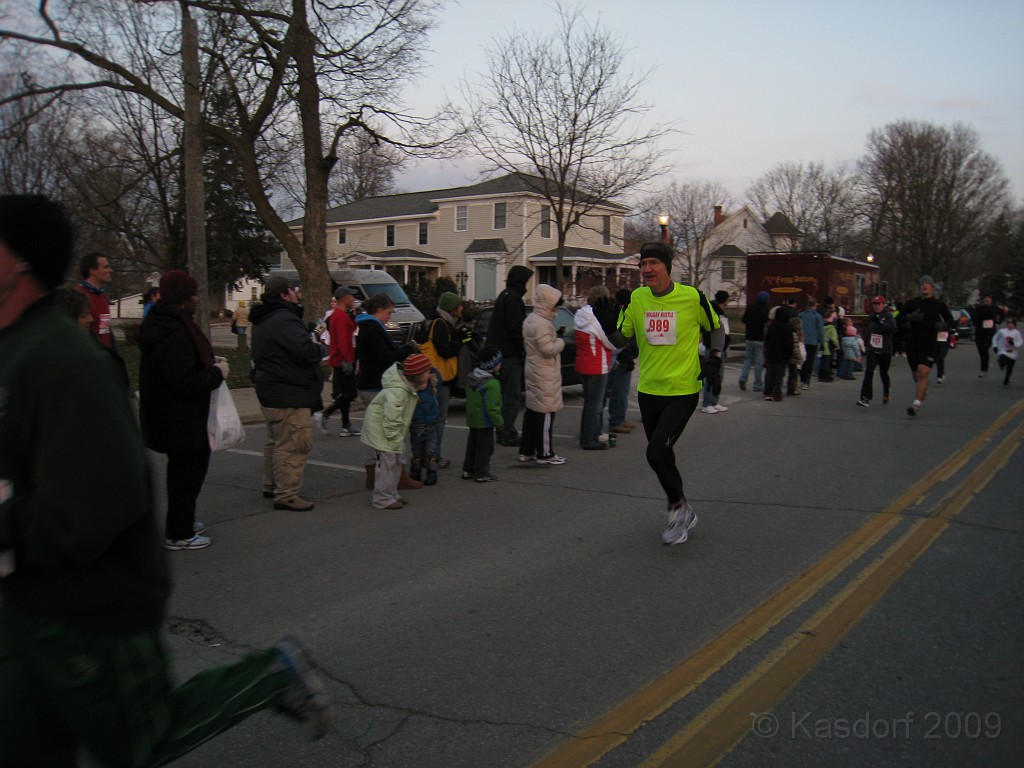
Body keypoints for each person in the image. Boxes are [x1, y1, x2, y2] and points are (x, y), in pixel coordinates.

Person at [0, 194, 331, 767]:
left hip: (89, 610)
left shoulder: (60, 361)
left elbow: (96, 503)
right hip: (26, 604)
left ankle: (269, 675)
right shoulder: (24, 352)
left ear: (20, 261)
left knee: (139, 741)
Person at [615, 242, 723, 546]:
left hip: (682, 389)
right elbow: (623, 336)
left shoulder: (691, 297)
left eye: (652, 263)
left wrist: (715, 357)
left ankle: (677, 509)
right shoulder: (637, 298)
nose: (646, 269)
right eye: (642, 264)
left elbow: (715, 328)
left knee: (655, 452)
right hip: (649, 390)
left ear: (666, 266)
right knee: (663, 454)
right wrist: (606, 322)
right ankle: (682, 506)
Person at [139, 269, 229, 550]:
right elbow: (183, 380)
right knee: (186, 477)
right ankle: (179, 532)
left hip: (172, 415)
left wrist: (210, 364)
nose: (198, 300)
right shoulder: (174, 332)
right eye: (193, 296)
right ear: (181, 299)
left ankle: (183, 521)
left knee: (183, 475)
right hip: (181, 418)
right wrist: (217, 373)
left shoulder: (164, 323)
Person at [251, 275, 327, 510]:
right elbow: (303, 350)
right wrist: (321, 347)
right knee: (294, 443)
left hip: (272, 388)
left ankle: (272, 484)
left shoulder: (264, 318)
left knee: (276, 440)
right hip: (288, 392)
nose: (298, 294)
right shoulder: (284, 319)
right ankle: (287, 494)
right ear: (285, 294)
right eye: (295, 290)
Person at [356, 292, 421, 490]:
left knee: (371, 432)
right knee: (393, 432)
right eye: (389, 312)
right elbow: (386, 358)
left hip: (368, 384)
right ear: (379, 309)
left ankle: (371, 474)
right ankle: (397, 475)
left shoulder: (365, 328)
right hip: (378, 385)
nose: (390, 317)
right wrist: (408, 349)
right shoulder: (373, 330)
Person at [360, 353, 433, 509]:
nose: (430, 374)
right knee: (387, 464)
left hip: (389, 430)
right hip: (383, 430)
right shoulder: (397, 391)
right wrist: (392, 438)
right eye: (427, 372)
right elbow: (391, 417)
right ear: (418, 375)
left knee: (395, 462)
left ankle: (392, 494)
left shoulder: (405, 387)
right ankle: (381, 498)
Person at [518, 283, 568, 466]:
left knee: (532, 412)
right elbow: (548, 349)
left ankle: (526, 450)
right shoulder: (542, 324)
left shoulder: (531, 319)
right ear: (548, 304)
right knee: (546, 413)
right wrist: (561, 342)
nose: (556, 308)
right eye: (555, 304)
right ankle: (545, 453)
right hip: (544, 373)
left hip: (533, 369)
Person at [416, 291, 467, 466]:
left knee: (428, 419)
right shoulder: (440, 324)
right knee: (438, 419)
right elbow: (445, 351)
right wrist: (460, 342)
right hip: (439, 378)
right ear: (451, 309)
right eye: (459, 305)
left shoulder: (435, 322)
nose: (462, 308)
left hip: (430, 376)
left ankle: (424, 455)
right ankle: (433, 456)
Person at [488, 265, 533, 446]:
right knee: (511, 396)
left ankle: (504, 430)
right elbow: (516, 328)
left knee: (503, 396)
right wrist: (524, 348)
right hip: (509, 355)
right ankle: (507, 432)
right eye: (526, 282)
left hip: (500, 353)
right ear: (520, 282)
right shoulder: (513, 299)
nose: (527, 287)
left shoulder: (504, 296)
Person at [900, 275, 954, 418]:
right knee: (916, 376)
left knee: (923, 372)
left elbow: (950, 319)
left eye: (927, 284)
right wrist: (909, 318)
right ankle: (923, 388)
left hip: (930, 344)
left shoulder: (938, 305)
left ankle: (915, 405)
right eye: (922, 283)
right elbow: (898, 318)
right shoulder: (912, 303)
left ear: (932, 287)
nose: (924, 286)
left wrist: (943, 326)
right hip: (913, 344)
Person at [574, 285, 617, 447]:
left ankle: (594, 433)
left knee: (589, 403)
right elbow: (610, 341)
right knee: (595, 405)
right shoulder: (597, 318)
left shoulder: (581, 314)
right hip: (597, 365)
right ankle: (589, 440)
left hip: (583, 363)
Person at [317, 286, 361, 437]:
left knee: (345, 393)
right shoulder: (340, 317)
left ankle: (346, 424)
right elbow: (343, 340)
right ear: (344, 298)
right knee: (351, 392)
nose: (353, 299)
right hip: (343, 359)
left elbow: (351, 329)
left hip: (339, 358)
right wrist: (347, 360)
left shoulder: (340, 315)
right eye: (351, 296)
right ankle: (326, 413)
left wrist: (354, 316)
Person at [462, 345, 504, 483]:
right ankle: (481, 472)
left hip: (473, 418)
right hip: (485, 420)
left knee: (472, 445)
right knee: (485, 448)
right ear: (493, 364)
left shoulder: (472, 378)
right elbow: (492, 407)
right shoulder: (492, 384)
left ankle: (468, 469)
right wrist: (499, 423)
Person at [607, 288, 638, 433]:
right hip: (620, 358)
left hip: (625, 357)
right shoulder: (619, 315)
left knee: (622, 391)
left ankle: (620, 417)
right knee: (619, 391)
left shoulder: (623, 314)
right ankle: (616, 420)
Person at [857, 295, 898, 407]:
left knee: (883, 373)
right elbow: (869, 331)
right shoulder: (871, 317)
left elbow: (893, 329)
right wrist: (865, 344)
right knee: (869, 372)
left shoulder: (888, 316)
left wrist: (881, 322)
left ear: (883, 305)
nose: (876, 306)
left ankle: (886, 391)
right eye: (874, 304)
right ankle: (865, 397)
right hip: (873, 348)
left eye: (878, 304)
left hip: (885, 350)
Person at [409, 365, 443, 486]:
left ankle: (432, 472)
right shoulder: (411, 391)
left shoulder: (431, 387)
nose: (424, 383)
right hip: (416, 425)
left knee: (431, 451)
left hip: (432, 425)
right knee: (417, 451)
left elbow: (439, 377)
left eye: (427, 376)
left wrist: (429, 369)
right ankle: (415, 471)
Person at [76, 250, 116, 349]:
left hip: (105, 356)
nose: (110, 270)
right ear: (93, 271)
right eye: (106, 267)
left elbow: (104, 329)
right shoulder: (77, 296)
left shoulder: (102, 296)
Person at [701, 290, 730, 413]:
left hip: (721, 348)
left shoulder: (720, 312)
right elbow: (708, 329)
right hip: (713, 348)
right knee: (711, 376)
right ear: (725, 300)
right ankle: (707, 403)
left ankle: (714, 401)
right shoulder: (712, 311)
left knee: (718, 376)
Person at [738, 290, 770, 392]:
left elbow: (743, 320)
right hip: (759, 339)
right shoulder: (766, 310)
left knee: (748, 360)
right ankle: (757, 385)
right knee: (758, 363)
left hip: (749, 338)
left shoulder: (750, 308)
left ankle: (743, 378)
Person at [762, 305, 792, 402]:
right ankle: (777, 393)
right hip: (782, 355)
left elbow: (766, 339)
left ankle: (767, 392)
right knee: (779, 375)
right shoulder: (787, 327)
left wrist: (766, 351)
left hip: (771, 353)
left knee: (770, 373)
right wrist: (789, 353)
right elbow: (789, 342)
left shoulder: (772, 326)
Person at [971, 295, 1003, 377]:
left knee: (984, 348)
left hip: (990, 333)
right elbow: (973, 318)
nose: (987, 301)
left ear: (991, 301)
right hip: (979, 332)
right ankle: (985, 365)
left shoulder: (995, 308)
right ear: (983, 301)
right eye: (985, 300)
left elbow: (1002, 313)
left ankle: (983, 369)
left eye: (988, 300)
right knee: (981, 351)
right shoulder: (978, 308)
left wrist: (999, 321)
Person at [798, 298, 825, 389]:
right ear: (815, 305)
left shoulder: (801, 315)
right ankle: (806, 382)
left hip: (802, 341)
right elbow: (821, 331)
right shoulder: (817, 316)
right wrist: (822, 342)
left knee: (803, 361)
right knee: (810, 362)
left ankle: (801, 380)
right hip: (813, 342)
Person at [992, 318, 1022, 386]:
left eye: (1012, 324)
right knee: (1002, 359)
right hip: (1003, 351)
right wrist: (995, 346)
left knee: (1010, 368)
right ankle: (1002, 365)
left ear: (1014, 325)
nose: (1010, 325)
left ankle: (1007, 380)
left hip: (1013, 353)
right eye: (1009, 324)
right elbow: (995, 338)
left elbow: (1020, 342)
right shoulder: (1002, 331)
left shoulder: (1017, 333)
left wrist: (1013, 344)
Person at [818, 312, 838, 383]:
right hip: (829, 346)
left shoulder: (821, 327)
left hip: (821, 346)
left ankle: (820, 376)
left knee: (822, 361)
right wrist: (836, 345)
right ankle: (826, 377)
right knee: (827, 362)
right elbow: (834, 339)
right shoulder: (832, 328)